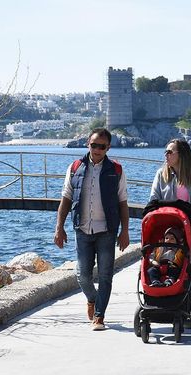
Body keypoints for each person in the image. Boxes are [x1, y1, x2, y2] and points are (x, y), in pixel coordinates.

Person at [54, 128, 130, 331]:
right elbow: (66, 198)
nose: (96, 149)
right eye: (93, 145)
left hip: (107, 230)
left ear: (108, 148)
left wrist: (125, 231)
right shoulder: (75, 167)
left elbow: (123, 202)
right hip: (82, 229)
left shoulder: (117, 170)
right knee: (82, 275)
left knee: (105, 275)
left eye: (101, 146)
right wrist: (59, 227)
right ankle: (92, 299)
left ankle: (99, 316)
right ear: (88, 143)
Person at [149, 139, 191, 325]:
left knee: (188, 270)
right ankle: (162, 307)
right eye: (165, 152)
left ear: (181, 154)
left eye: (169, 152)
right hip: (167, 231)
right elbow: (154, 199)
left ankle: (185, 312)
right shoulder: (162, 175)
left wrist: (190, 220)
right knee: (161, 267)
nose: (165, 155)